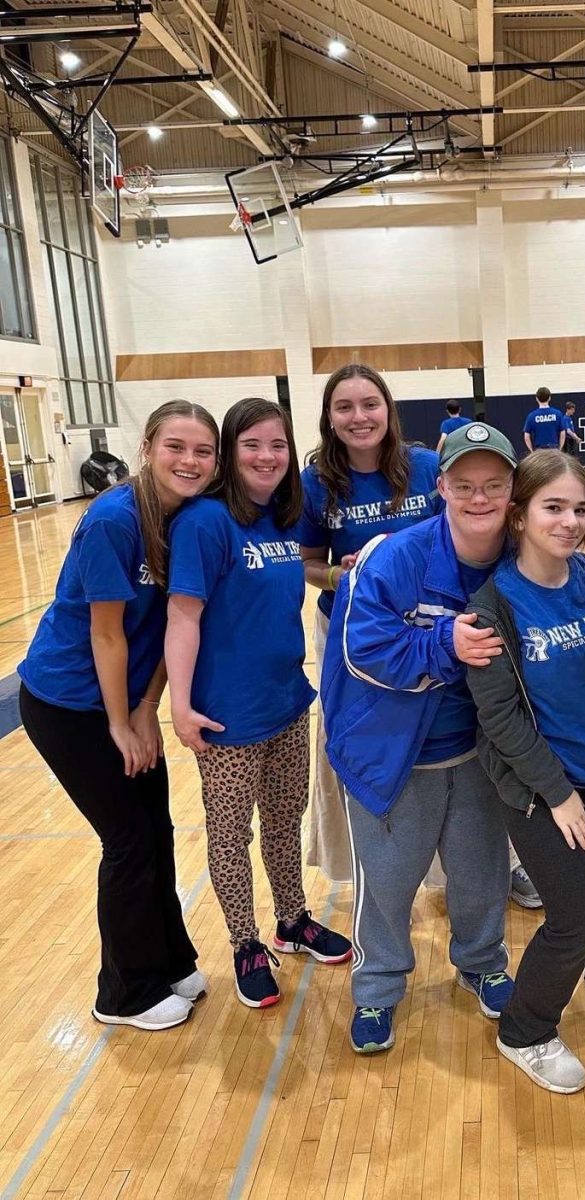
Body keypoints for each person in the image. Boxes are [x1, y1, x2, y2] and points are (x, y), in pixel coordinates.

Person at [18, 401, 219, 1031]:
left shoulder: (189, 518)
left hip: (125, 699)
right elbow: (108, 634)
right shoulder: (113, 520)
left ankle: (168, 959)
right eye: (176, 447)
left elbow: (166, 626)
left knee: (155, 830)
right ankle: (123, 991)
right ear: (148, 447)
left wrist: (145, 707)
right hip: (70, 704)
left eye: (203, 451)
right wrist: (118, 723)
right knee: (128, 841)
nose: (190, 461)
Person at [322, 422, 519, 1055]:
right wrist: (445, 644)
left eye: (493, 485)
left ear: (513, 490)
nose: (480, 498)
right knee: (387, 881)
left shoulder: (524, 559)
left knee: (481, 871)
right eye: (465, 485)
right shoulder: (391, 557)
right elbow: (361, 649)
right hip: (391, 756)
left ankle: (483, 961)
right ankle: (377, 988)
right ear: (441, 487)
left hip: (479, 753)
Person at [464, 450, 585, 1094]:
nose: (570, 521)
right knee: (574, 920)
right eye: (553, 508)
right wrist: (559, 793)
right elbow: (501, 720)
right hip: (540, 790)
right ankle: (526, 1030)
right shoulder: (493, 607)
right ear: (518, 516)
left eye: (578, 509)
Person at [166, 397, 352, 1011]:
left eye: (278, 445)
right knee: (229, 835)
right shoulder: (205, 522)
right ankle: (245, 942)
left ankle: (292, 919)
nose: (267, 456)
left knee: (283, 820)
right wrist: (182, 705)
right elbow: (183, 616)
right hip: (227, 716)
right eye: (252, 445)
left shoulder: (283, 516)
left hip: (288, 703)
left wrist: (336, 574)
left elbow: (301, 573)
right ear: (228, 452)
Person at [300, 364, 442, 884]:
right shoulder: (315, 483)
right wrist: (337, 575)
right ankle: (370, 870)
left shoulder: (427, 468)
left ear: (388, 410)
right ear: (329, 418)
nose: (359, 417)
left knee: (448, 743)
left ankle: (469, 868)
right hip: (351, 635)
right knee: (361, 744)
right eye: (345, 407)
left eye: (370, 404)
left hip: (431, 631)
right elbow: (307, 562)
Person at [523, 386, 564, 452]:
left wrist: (532, 451)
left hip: (539, 450)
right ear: (549, 398)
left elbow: (526, 436)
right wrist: (560, 449)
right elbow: (563, 433)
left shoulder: (532, 416)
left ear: (537, 399)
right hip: (554, 449)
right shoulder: (557, 414)